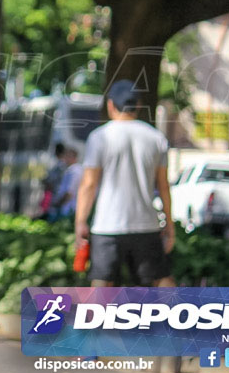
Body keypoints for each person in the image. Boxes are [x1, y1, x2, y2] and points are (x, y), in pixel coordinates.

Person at [74, 80, 176, 287]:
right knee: (159, 281)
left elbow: (88, 184)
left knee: (102, 285)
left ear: (111, 105)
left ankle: (96, 320)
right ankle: (177, 318)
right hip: (146, 223)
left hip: (107, 224)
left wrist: (80, 221)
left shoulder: (99, 137)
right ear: (138, 105)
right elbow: (163, 186)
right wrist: (169, 224)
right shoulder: (156, 138)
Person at [47, 147, 81, 221]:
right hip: (66, 208)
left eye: (66, 156)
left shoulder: (74, 172)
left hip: (68, 208)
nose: (64, 159)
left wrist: (58, 204)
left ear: (72, 157)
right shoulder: (70, 170)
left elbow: (69, 193)